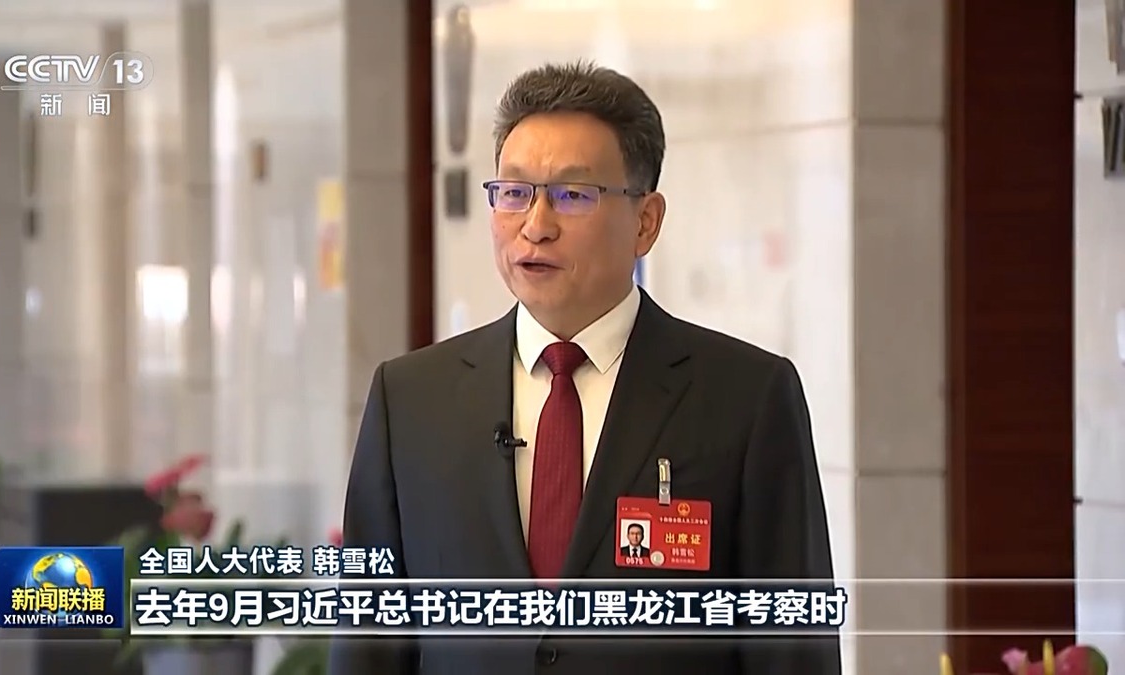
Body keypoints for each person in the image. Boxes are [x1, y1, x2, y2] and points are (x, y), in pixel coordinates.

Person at [331, 61, 840, 675]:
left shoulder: (746, 399)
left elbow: (793, 651)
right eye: (514, 193)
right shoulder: (411, 400)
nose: (536, 226)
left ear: (646, 222)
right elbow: (368, 646)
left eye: (573, 195)